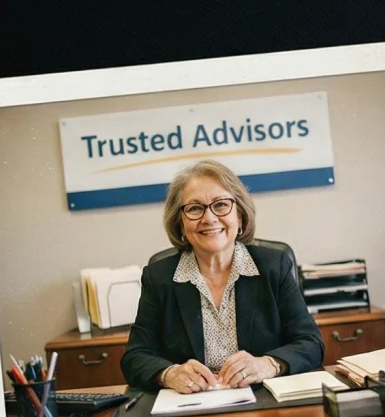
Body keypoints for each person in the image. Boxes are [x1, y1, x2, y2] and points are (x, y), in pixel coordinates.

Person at [120, 160, 324, 394]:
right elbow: (135, 357)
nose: (209, 218)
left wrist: (267, 364)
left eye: (221, 205)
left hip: (263, 404)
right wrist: (170, 374)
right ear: (181, 223)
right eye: (195, 208)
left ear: (240, 216)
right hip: (189, 408)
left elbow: (311, 343)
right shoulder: (160, 277)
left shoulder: (273, 266)